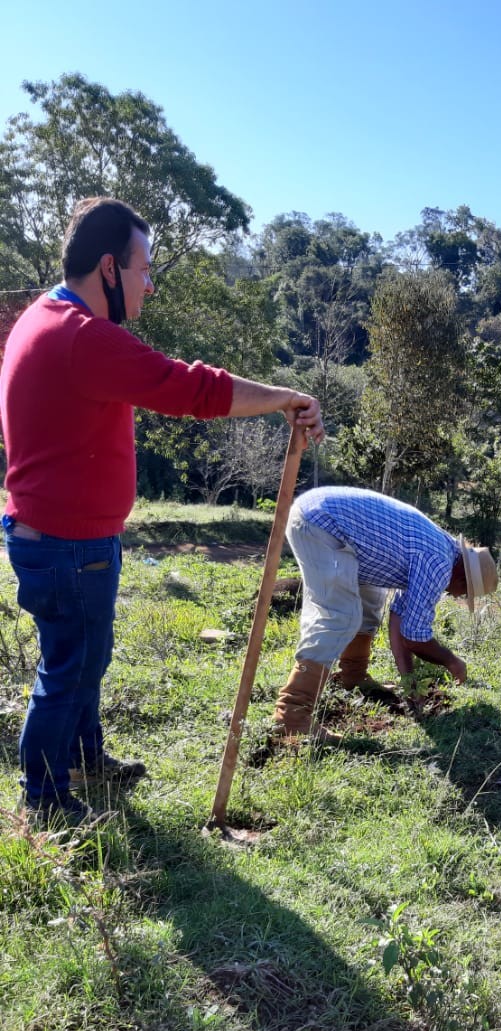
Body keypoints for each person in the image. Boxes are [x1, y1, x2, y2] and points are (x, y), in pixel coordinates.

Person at [0, 197, 323, 824]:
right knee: (69, 669)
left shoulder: (44, 317)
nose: (150, 284)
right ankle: (45, 802)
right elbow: (192, 389)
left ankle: (85, 759)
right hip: (66, 544)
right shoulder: (83, 337)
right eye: (144, 269)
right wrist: (284, 397)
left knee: (82, 659)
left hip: (59, 536)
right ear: (109, 269)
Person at [272, 486, 497, 741]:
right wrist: (451, 660)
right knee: (339, 615)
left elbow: (401, 621)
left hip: (336, 528)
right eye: (464, 592)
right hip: (321, 524)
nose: (457, 596)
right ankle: (292, 714)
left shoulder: (440, 551)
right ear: (462, 576)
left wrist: (409, 682)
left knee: (371, 601)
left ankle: (353, 677)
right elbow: (415, 638)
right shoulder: (439, 563)